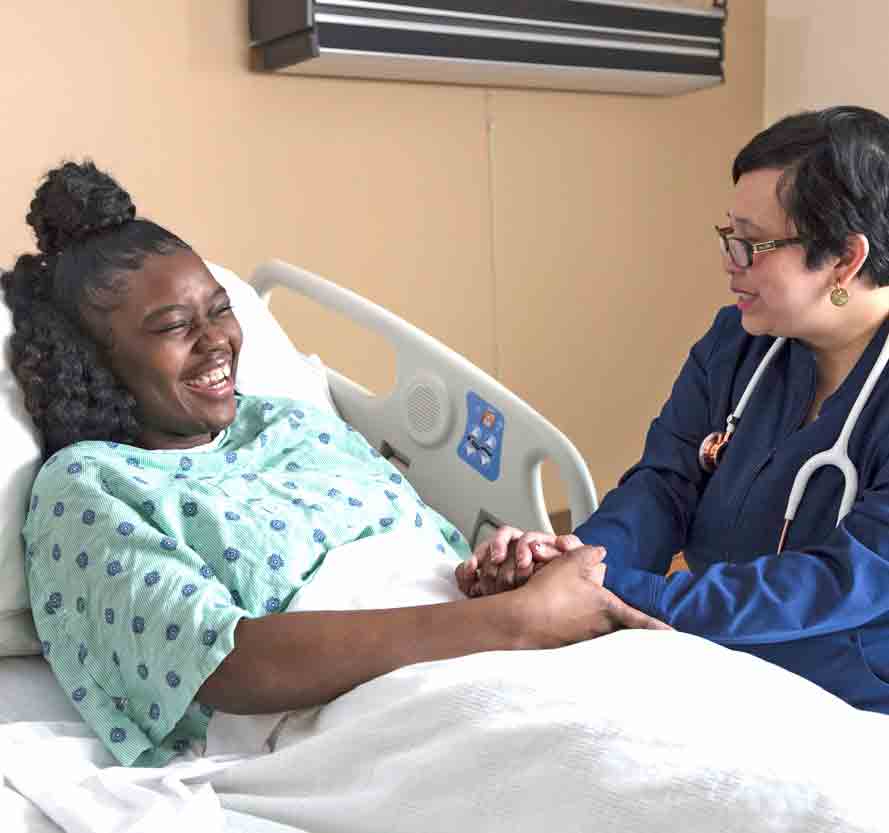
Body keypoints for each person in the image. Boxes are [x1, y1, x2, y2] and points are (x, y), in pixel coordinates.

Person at [2, 161, 668, 767]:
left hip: (481, 642)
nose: (217, 343)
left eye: (221, 310)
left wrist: (496, 575)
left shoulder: (290, 421)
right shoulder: (90, 485)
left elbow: (425, 558)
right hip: (360, 709)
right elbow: (221, 662)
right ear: (92, 360)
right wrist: (512, 621)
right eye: (175, 326)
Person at [458, 105, 889, 716]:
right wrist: (575, 558)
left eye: (751, 244)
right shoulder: (737, 343)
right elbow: (664, 485)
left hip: (848, 698)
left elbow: (842, 580)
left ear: (845, 258)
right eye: (728, 236)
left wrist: (615, 589)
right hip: (700, 655)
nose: (729, 262)